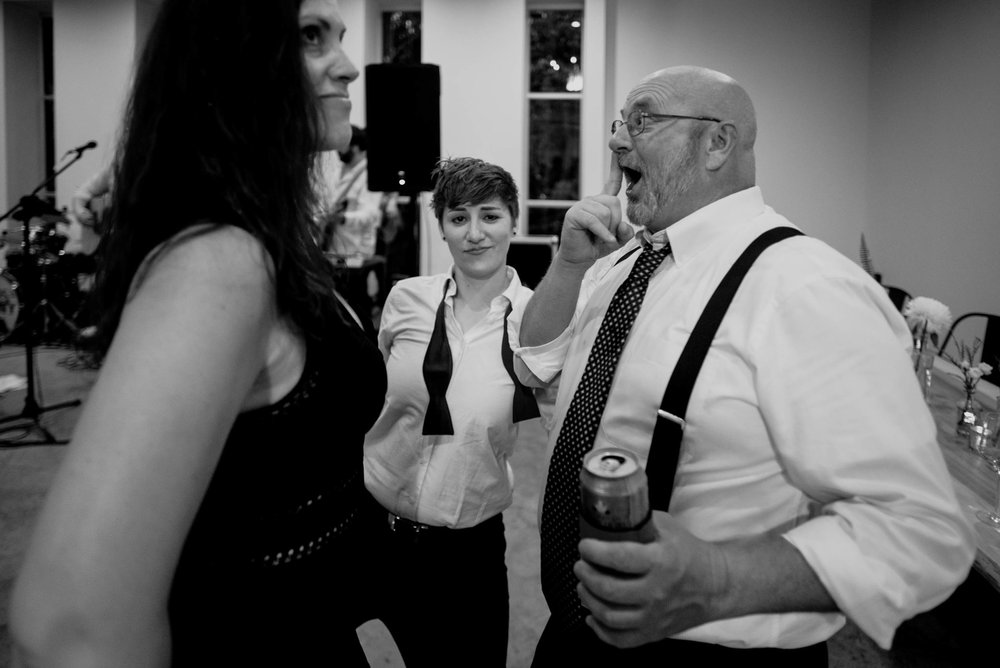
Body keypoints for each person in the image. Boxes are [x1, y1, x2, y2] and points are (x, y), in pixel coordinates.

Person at [512, 65, 975, 665]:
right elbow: (533, 369)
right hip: (579, 630)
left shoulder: (805, 287)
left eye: (642, 120)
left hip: (709, 643)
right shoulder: (622, 263)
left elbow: (920, 530)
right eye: (618, 123)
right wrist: (571, 266)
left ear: (718, 142)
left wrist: (717, 579)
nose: (617, 140)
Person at [9, 2, 385, 666]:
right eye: (309, 37)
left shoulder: (265, 240)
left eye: (340, 38)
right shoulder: (221, 263)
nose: (349, 66)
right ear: (233, 62)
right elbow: (72, 631)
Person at [363, 157, 551, 667]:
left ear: (514, 220)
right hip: (372, 531)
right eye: (458, 218)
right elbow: (382, 389)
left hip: (464, 551)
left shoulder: (535, 321)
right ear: (441, 226)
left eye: (490, 216)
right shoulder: (406, 299)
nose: (475, 234)